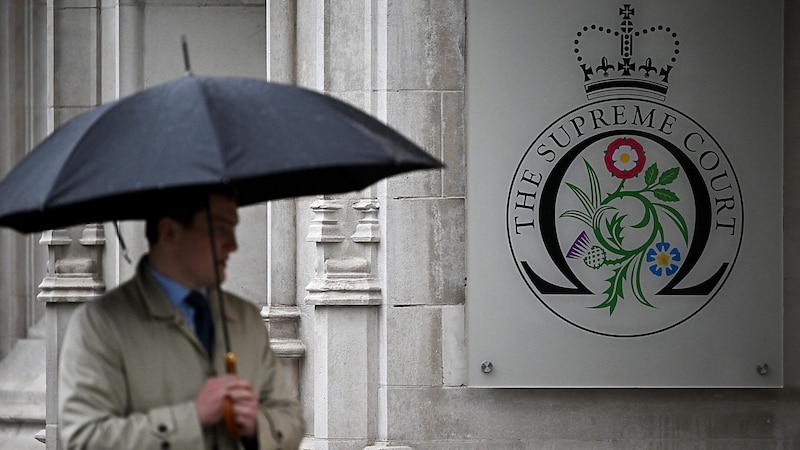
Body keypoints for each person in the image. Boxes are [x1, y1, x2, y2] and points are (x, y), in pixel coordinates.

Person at [58, 191, 305, 449]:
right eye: (219, 229)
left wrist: (257, 425)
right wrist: (192, 418)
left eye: (233, 229)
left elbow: (291, 421)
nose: (233, 244)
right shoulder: (100, 325)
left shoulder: (246, 319)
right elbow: (83, 439)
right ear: (169, 232)